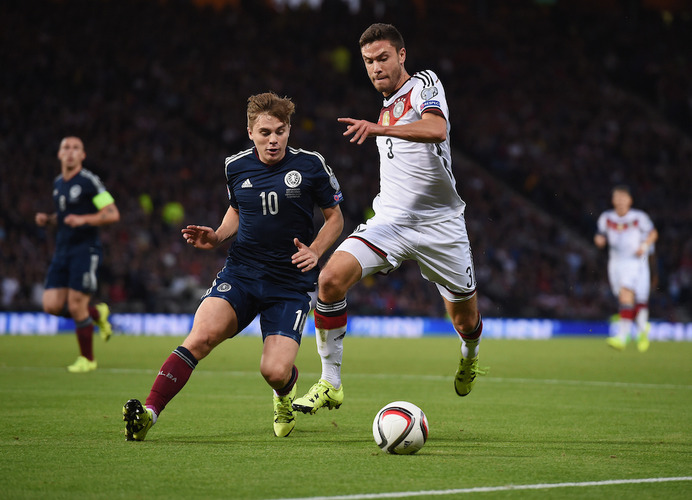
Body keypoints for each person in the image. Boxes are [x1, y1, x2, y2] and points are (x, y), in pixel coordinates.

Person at [122, 92, 344, 440]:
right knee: (200, 337)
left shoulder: (311, 165)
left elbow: (335, 218)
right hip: (241, 273)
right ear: (250, 131)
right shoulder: (235, 166)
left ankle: (283, 396)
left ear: (289, 130)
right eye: (265, 132)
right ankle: (149, 413)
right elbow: (238, 209)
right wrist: (218, 236)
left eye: (281, 131)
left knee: (273, 371)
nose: (274, 140)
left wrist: (316, 250)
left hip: (288, 284)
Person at [293, 23, 483, 416]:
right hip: (392, 221)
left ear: (401, 55)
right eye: (368, 61)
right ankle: (330, 382)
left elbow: (437, 128)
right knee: (328, 281)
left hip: (442, 226)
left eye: (382, 58)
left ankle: (469, 353)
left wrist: (380, 128)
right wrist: (382, 124)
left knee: (465, 320)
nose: (376, 67)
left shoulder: (425, 84)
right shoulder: (385, 106)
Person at [35, 136, 119, 373]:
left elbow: (112, 213)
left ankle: (87, 359)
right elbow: (64, 217)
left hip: (85, 250)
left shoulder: (89, 182)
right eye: (66, 148)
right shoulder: (58, 183)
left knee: (75, 304)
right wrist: (49, 219)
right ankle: (97, 313)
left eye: (76, 148)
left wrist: (84, 219)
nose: (70, 152)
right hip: (62, 250)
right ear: (59, 154)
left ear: (82, 155)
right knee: (51, 305)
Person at [595, 185, 658, 352]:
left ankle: (622, 337)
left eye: (624, 198)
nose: (620, 201)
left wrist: (644, 246)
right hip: (615, 262)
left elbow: (653, 233)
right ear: (613, 200)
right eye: (617, 198)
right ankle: (643, 328)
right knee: (624, 298)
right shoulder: (606, 217)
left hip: (634, 261)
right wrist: (599, 240)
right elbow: (600, 234)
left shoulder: (639, 217)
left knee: (627, 294)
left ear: (630, 200)